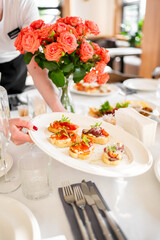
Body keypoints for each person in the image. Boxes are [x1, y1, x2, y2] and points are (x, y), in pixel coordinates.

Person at [0, 0, 65, 112]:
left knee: (15, 111)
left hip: (15, 65)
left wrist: (58, 110)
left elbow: (36, 67)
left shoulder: (23, 4)